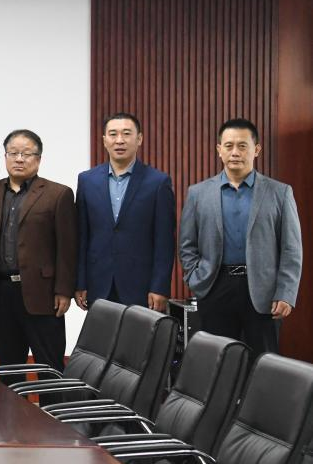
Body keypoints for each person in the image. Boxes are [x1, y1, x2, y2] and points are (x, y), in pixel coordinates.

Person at [179, 118, 302, 353]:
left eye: (242, 146)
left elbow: (291, 249)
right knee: (218, 362)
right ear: (219, 150)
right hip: (215, 287)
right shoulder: (198, 193)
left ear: (257, 150)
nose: (235, 152)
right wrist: (195, 279)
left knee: (263, 363)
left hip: (264, 292)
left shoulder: (280, 193)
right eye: (229, 146)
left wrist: (286, 293)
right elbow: (187, 244)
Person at [0, 129, 77, 384]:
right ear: (5, 156)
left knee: (49, 366)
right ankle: (11, 411)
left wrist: (64, 290)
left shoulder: (58, 194)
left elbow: (67, 247)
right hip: (2, 292)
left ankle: (53, 411)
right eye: (13, 153)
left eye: (26, 153)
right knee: (9, 366)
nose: (19, 158)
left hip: (43, 293)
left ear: (39, 159)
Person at [75, 112, 176, 312]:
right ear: (104, 140)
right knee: (101, 334)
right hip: (98, 283)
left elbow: (164, 241)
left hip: (141, 286)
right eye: (113, 134)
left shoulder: (158, 182)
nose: (119, 140)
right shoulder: (87, 180)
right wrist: (80, 282)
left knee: (139, 334)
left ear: (139, 139)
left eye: (127, 134)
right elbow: (82, 236)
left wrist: (159, 287)